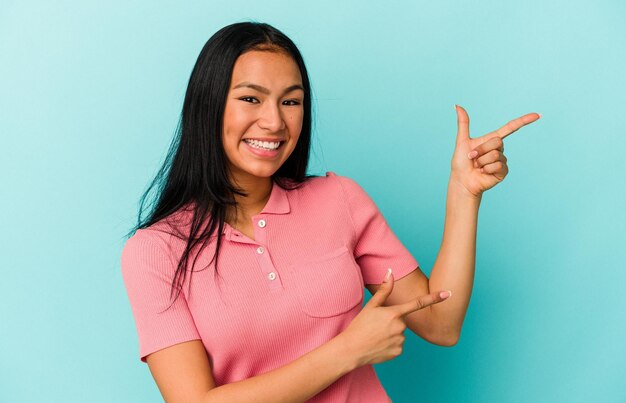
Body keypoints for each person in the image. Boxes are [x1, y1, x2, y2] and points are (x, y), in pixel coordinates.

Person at [120, 21, 540, 403]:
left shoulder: (339, 199)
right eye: (251, 98)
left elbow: (441, 323)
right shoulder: (155, 251)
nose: (274, 121)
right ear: (207, 105)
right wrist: (348, 351)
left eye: (292, 101)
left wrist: (464, 194)